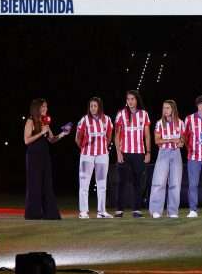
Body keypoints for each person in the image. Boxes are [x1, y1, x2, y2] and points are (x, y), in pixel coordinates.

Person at [23, 98, 70, 220]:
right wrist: (40, 133)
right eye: (43, 107)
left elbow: (51, 139)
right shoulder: (30, 120)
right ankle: (33, 213)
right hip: (33, 155)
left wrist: (63, 133)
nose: (46, 109)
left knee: (46, 183)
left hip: (44, 155)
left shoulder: (45, 121)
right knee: (35, 183)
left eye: (46, 107)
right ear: (37, 108)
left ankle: (49, 213)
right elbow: (26, 140)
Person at [114, 90, 151, 218]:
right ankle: (119, 210)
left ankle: (137, 210)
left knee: (138, 182)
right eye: (128, 99)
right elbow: (117, 136)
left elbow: (147, 135)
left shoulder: (144, 114)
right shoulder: (121, 114)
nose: (130, 101)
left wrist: (148, 152)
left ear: (137, 100)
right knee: (122, 182)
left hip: (139, 153)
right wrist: (118, 153)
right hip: (124, 152)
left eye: (132, 99)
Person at [75, 97, 114, 219]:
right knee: (84, 183)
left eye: (95, 106)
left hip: (102, 155)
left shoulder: (106, 119)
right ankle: (83, 211)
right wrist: (85, 149)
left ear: (99, 107)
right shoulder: (84, 120)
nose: (93, 108)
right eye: (91, 106)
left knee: (102, 183)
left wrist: (102, 148)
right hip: (87, 155)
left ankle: (101, 212)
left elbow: (108, 137)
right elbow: (77, 138)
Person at [148, 100, 185, 218]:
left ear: (173, 109)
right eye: (164, 108)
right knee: (159, 182)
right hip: (163, 152)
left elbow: (183, 140)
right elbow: (157, 140)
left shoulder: (180, 123)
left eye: (168, 108)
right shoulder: (159, 123)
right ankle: (156, 211)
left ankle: (173, 211)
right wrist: (170, 140)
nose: (165, 110)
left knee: (175, 183)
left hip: (176, 153)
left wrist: (181, 143)